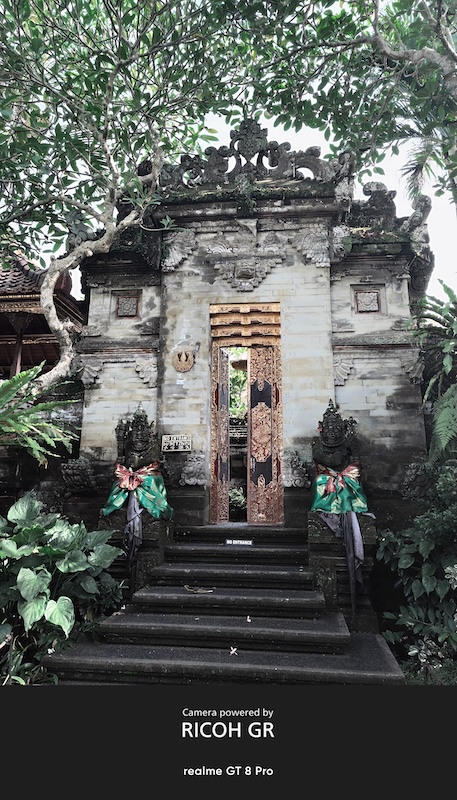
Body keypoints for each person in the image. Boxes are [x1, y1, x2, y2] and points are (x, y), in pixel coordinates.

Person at [310, 399, 373, 612]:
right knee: (323, 482)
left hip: (345, 478)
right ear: (322, 427)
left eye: (336, 427)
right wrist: (338, 457)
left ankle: (348, 505)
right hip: (328, 478)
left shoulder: (347, 442)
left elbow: (354, 462)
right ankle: (330, 505)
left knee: (350, 482)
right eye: (328, 427)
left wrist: (349, 444)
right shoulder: (317, 444)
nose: (332, 432)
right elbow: (323, 458)